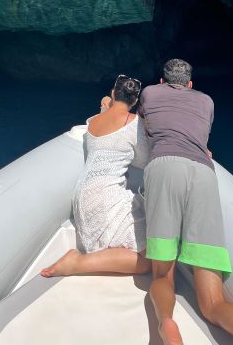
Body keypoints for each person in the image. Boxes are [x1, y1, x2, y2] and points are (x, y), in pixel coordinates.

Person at [141, 58, 233, 345]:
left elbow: (147, 124)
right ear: (190, 84)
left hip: (164, 165)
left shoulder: (150, 93)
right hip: (202, 173)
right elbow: (199, 136)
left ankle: (166, 323)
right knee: (213, 302)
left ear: (162, 82)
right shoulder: (207, 101)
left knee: (162, 275)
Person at [41, 74, 153, 277]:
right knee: (148, 262)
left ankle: (91, 255)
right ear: (135, 101)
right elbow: (144, 160)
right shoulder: (135, 124)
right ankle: (77, 263)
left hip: (83, 193)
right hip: (105, 196)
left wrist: (108, 102)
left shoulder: (94, 121)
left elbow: (106, 104)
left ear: (113, 92)